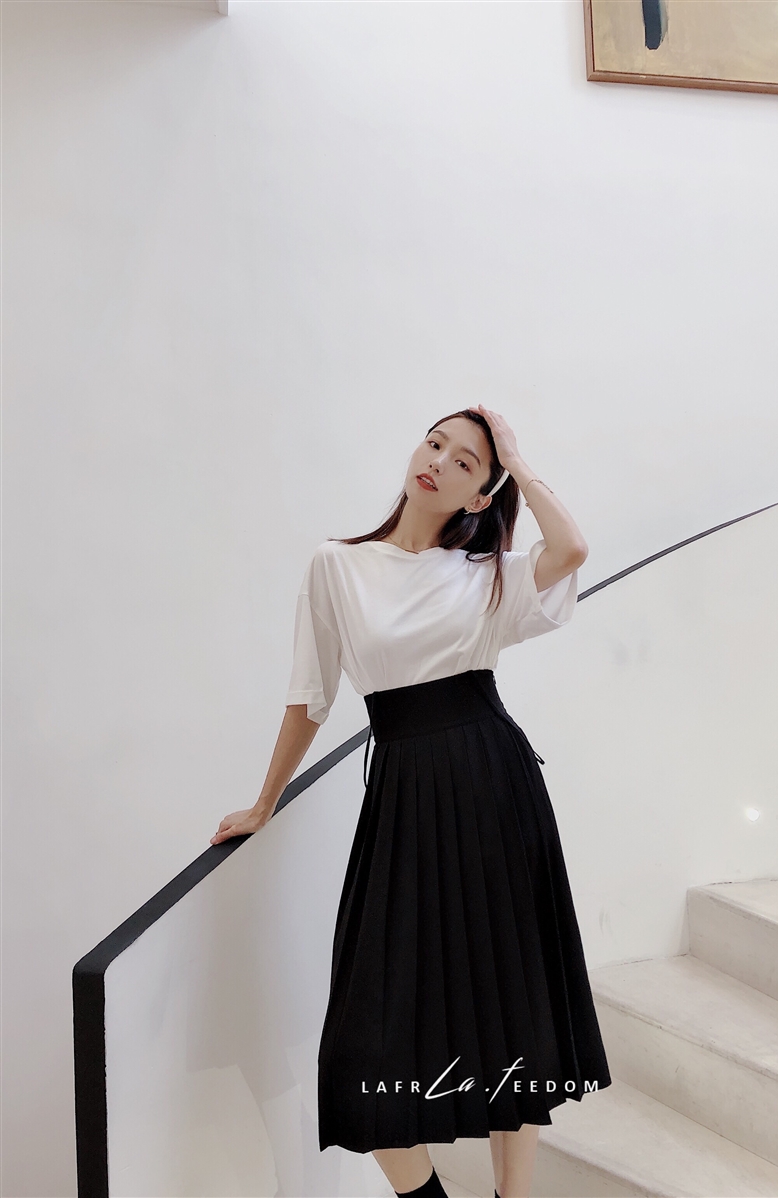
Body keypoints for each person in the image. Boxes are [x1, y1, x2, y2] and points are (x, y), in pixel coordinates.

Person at [211, 405, 613, 1198]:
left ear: (479, 496)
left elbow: (571, 549)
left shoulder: (486, 576)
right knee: (365, 1040)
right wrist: (264, 802)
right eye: (435, 444)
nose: (438, 461)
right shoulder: (336, 565)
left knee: (513, 999)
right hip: (404, 795)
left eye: (465, 462)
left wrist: (517, 462)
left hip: (496, 788)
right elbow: (310, 697)